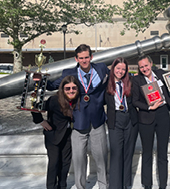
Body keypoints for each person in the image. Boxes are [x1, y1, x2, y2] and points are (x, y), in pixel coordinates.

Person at [47, 44, 109, 189]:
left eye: (86, 57)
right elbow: (54, 85)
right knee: (79, 161)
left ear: (91, 57)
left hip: (98, 121)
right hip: (78, 122)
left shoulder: (101, 69)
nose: (84, 60)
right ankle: (80, 187)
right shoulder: (69, 73)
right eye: (81, 58)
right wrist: (37, 80)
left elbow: (118, 76)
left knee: (101, 159)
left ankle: (104, 186)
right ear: (76, 59)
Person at [132, 55, 170, 189]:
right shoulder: (137, 80)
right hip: (146, 116)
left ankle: (163, 184)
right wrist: (148, 107)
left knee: (162, 152)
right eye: (141, 67)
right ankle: (147, 185)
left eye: (146, 65)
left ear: (151, 64)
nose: (144, 69)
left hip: (163, 114)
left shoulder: (160, 74)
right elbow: (135, 101)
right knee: (147, 152)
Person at [31, 75, 80, 189]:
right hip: (53, 135)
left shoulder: (79, 100)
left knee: (65, 163)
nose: (71, 91)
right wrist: (41, 121)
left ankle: (62, 185)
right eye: (67, 88)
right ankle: (51, 186)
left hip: (68, 135)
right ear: (62, 89)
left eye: (73, 88)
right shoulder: (54, 100)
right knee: (54, 163)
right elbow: (34, 107)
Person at [105, 57, 138, 189]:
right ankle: (115, 185)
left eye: (123, 69)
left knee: (128, 153)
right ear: (113, 68)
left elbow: (149, 75)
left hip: (130, 119)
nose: (120, 71)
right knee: (116, 153)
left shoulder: (131, 81)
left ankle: (126, 184)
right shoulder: (106, 83)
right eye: (118, 68)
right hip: (115, 119)